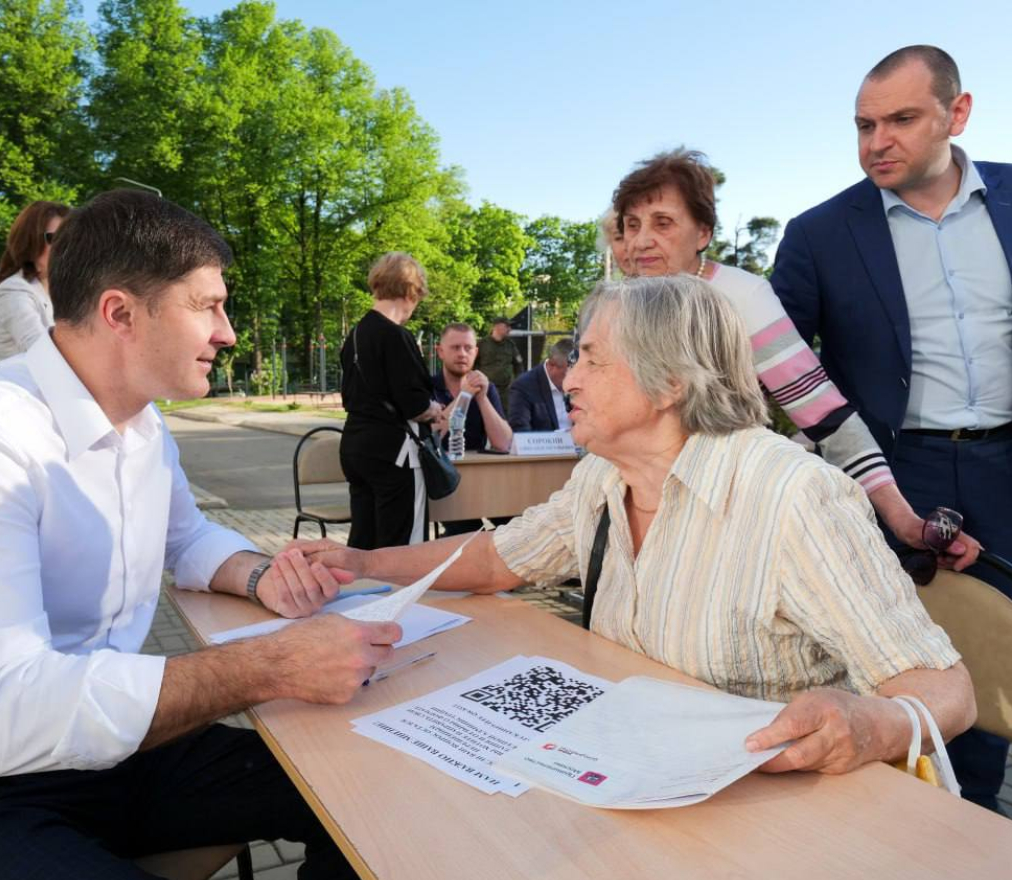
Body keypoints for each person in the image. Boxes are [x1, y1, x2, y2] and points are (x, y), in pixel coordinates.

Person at [0, 190, 400, 880]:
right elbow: (6, 715)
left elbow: (186, 536)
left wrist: (261, 576)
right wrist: (269, 666)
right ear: (120, 313)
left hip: (100, 759)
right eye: (207, 306)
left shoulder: (141, 427)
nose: (228, 333)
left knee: (358, 784)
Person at [300, 276, 976, 777]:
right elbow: (501, 559)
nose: (569, 379)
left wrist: (871, 725)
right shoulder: (605, 476)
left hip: (763, 810)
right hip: (634, 776)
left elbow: (946, 691)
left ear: (670, 381)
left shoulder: (790, 496)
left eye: (593, 358)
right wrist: (360, 566)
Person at [769, 45, 1012, 812]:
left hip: (1008, 463)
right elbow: (766, 366)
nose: (878, 141)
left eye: (902, 119)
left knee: (1004, 672)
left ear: (957, 113)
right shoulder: (818, 235)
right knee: (928, 675)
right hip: (896, 481)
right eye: (865, 124)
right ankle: (941, 834)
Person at [607, 147, 980, 571]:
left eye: (663, 223)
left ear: (703, 233)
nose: (641, 241)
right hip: (624, 501)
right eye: (632, 225)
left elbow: (826, 415)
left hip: (714, 516)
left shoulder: (742, 298)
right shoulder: (612, 307)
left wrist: (901, 518)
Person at [339, 252, 443, 549]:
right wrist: (433, 409)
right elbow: (415, 404)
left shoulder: (356, 333)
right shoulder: (396, 336)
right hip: (393, 452)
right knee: (401, 543)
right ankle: (402, 596)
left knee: (363, 540)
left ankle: (361, 594)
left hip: (355, 446)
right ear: (412, 292)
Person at [430, 322, 514, 535]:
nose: (462, 354)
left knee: (516, 519)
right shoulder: (427, 386)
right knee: (466, 529)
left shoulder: (487, 387)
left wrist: (482, 398)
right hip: (442, 483)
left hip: (480, 481)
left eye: (468, 348)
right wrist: (463, 395)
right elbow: (433, 434)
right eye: (455, 347)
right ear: (440, 351)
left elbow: (504, 443)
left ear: (476, 352)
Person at [0, 200, 69, 362]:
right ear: (29, 242)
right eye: (55, 238)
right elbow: (44, 352)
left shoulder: (61, 292)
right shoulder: (12, 292)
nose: (65, 247)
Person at [508, 338, 575, 433]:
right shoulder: (523, 387)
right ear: (552, 366)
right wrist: (561, 439)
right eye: (570, 374)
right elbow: (521, 434)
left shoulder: (582, 385)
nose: (576, 379)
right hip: (546, 447)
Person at [475, 316, 522, 409]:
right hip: (485, 390)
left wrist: (517, 383)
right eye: (507, 326)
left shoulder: (510, 345)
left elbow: (519, 365)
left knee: (505, 417)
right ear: (497, 326)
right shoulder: (482, 344)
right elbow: (472, 365)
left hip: (505, 392)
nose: (510, 329)